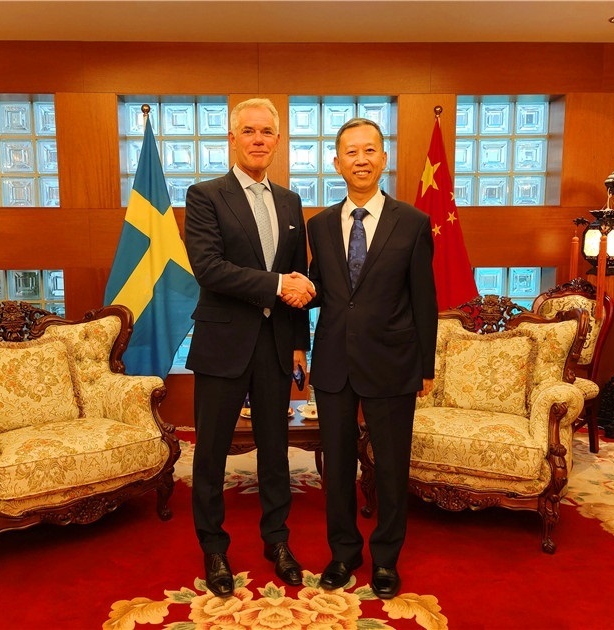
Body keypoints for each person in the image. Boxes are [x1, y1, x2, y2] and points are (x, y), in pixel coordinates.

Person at [184, 98, 315, 598]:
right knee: (211, 452)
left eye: (267, 132)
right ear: (233, 138)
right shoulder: (205, 195)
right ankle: (214, 547)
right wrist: (278, 284)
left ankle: (276, 541)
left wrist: (300, 344)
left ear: (277, 141)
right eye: (248, 131)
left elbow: (298, 275)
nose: (258, 139)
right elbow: (209, 268)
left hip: (276, 345)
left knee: (276, 450)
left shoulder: (290, 201)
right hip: (223, 342)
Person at [305, 117, 438, 599]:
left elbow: (423, 299)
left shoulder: (413, 222)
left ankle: (386, 558)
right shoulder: (319, 225)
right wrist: (288, 291)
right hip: (334, 363)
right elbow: (320, 289)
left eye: (369, 151)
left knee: (391, 467)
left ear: (383, 159)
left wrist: (426, 367)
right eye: (351, 152)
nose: (360, 160)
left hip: (393, 362)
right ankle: (343, 553)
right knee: (337, 466)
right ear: (336, 162)